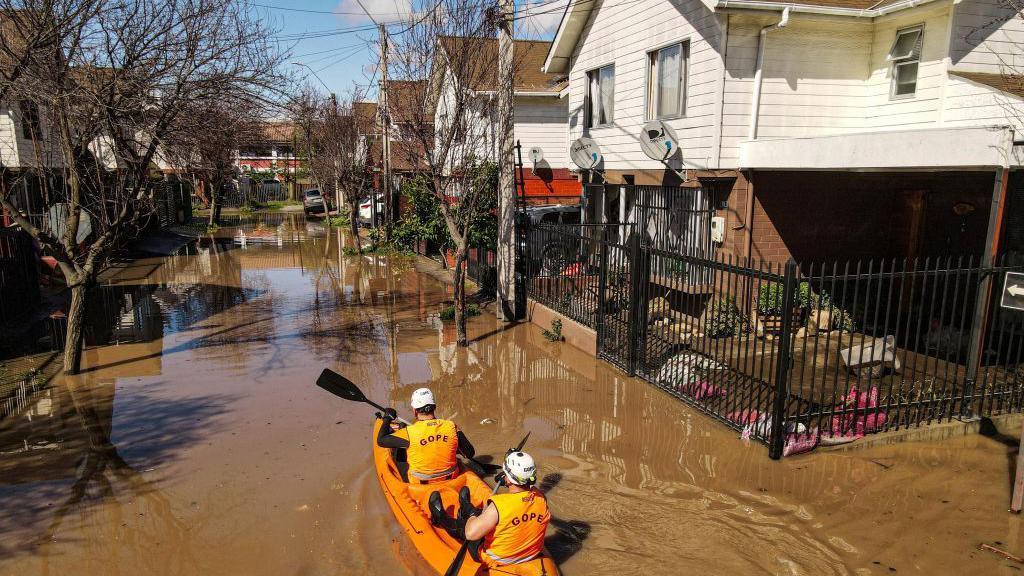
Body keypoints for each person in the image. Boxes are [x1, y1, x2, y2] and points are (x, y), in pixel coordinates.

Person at [459, 451, 550, 567]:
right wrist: (507, 479)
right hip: (531, 554)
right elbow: (527, 489)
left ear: (507, 479)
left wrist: (472, 515)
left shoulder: (498, 505)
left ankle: (442, 516)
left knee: (467, 523)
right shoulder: (541, 498)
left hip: (498, 560)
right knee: (486, 516)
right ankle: (466, 505)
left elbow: (470, 534)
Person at [377, 387, 475, 483]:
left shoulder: (408, 432)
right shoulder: (451, 426)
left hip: (420, 482)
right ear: (434, 407)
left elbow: (381, 440)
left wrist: (387, 418)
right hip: (451, 477)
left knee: (397, 452)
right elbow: (470, 453)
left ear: (415, 411)